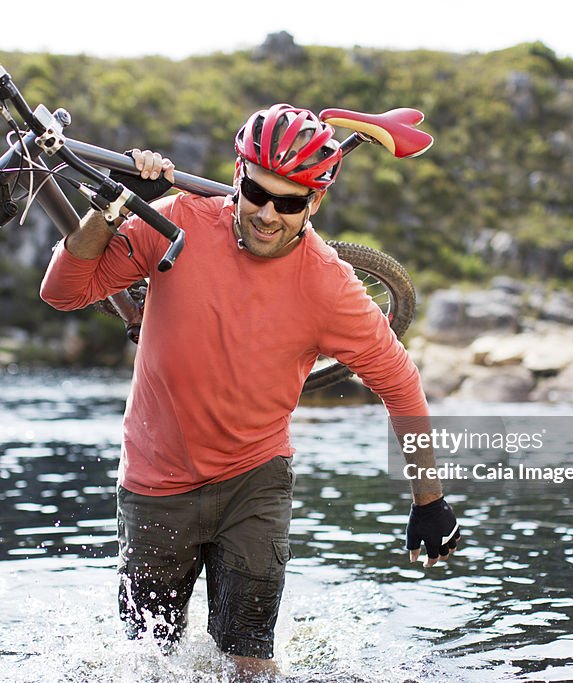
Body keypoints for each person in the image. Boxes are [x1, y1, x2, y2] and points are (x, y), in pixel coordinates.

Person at [39, 103, 458, 679]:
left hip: (253, 483)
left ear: (315, 203)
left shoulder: (329, 285)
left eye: (289, 203)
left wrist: (428, 499)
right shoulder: (176, 221)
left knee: (250, 664)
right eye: (256, 194)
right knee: (143, 662)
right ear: (237, 177)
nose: (267, 214)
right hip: (155, 482)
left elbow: (401, 387)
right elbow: (63, 292)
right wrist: (109, 210)